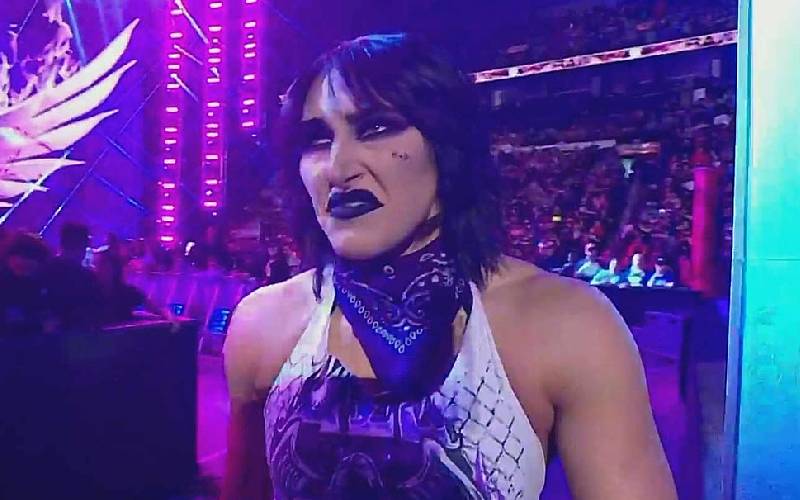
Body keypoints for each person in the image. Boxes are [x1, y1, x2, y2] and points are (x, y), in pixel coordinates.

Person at [223, 34, 675, 499]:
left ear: (447, 147)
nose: (338, 168)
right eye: (317, 140)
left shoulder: (566, 324)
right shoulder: (263, 324)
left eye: (377, 128)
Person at [43, 222, 103, 331]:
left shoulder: (45, 269)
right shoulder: (87, 277)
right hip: (79, 334)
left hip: (51, 334)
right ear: (84, 246)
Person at [0, 232, 52, 334]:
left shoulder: (38, 287)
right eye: (19, 255)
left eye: (30, 257)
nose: (23, 261)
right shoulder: (4, 283)